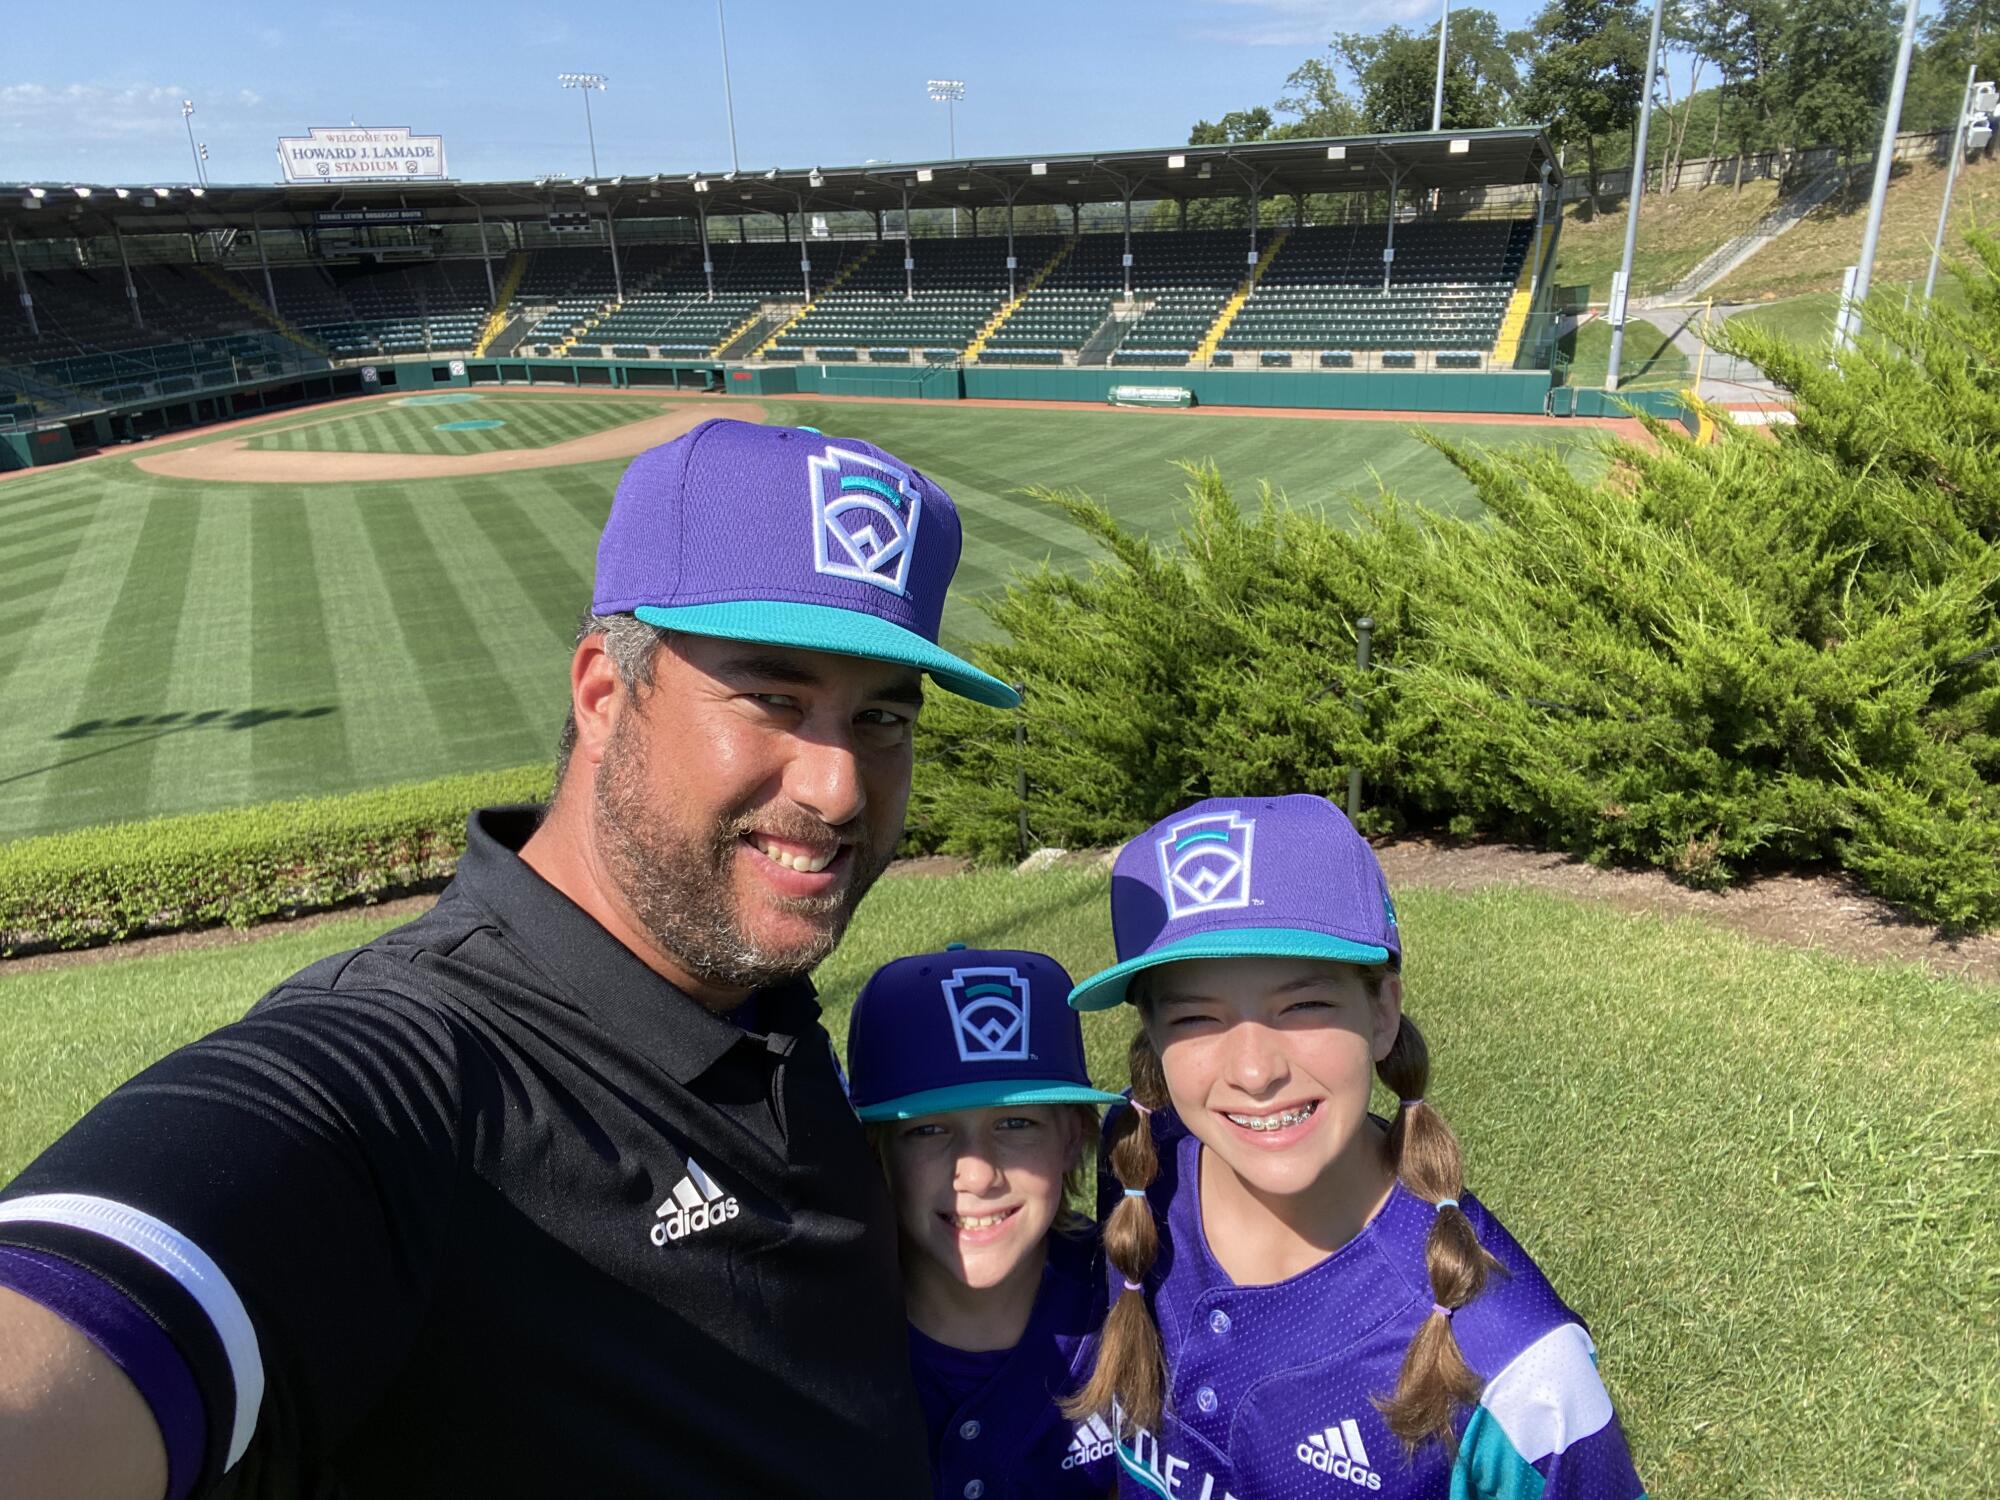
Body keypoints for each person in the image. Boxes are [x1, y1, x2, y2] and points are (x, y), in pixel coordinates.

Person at [0, 418, 1021, 1500]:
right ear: (600, 693)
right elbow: (103, 1286)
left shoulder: (747, 984)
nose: (838, 788)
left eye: (879, 718)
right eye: (771, 699)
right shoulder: (412, 1069)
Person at [1062, 794, 1647, 1500]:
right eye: (1195, 1016)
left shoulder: (1521, 1371)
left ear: (1382, 1013)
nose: (1254, 1072)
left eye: (1303, 1006)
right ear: (1152, 1036)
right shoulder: (1139, 1160)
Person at [845, 945, 1126, 1500]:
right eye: (927, 1130)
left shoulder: (1129, 1297)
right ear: (878, 1152)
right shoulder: (832, 1330)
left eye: (1015, 1122)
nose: (976, 1174)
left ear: (1072, 1138)